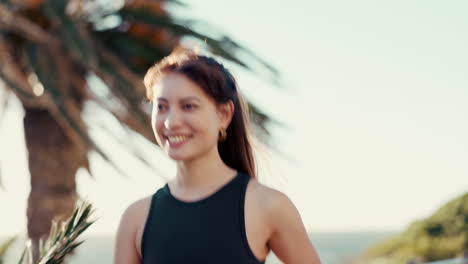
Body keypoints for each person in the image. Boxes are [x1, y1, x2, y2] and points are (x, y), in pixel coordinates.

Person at [114, 48, 322, 264]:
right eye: (162, 107)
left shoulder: (269, 206)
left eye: (188, 106)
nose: (170, 122)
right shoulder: (136, 219)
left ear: (223, 115)